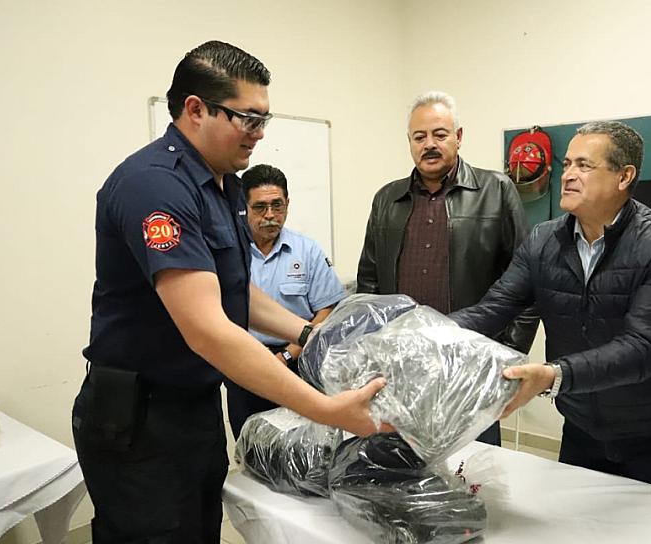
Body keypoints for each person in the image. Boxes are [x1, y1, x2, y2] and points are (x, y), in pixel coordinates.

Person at [72, 41, 385, 543]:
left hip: (193, 406)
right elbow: (209, 330)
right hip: (139, 418)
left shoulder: (225, 187)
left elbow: (234, 293)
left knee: (200, 529)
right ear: (196, 109)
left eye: (265, 119)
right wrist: (325, 409)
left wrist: (311, 334)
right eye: (249, 119)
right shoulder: (155, 187)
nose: (260, 133)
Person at [452, 121, 651, 493]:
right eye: (567, 164)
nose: (568, 175)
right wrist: (423, 333)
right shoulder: (543, 240)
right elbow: (495, 308)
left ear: (624, 176)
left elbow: (643, 348)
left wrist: (553, 375)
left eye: (584, 165)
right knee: (572, 521)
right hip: (582, 425)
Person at [356, 91, 538, 446]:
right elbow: (369, 283)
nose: (429, 144)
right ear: (409, 141)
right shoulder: (387, 199)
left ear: (459, 136)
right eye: (419, 137)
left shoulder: (496, 190)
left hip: (472, 368)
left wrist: (504, 358)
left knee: (476, 467)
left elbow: (526, 282)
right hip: (402, 369)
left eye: (439, 134)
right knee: (403, 463)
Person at [226, 164, 346, 439]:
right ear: (244, 208)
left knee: (301, 445)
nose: (270, 215)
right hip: (244, 365)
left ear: (287, 204)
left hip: (298, 365)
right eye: (260, 207)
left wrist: (288, 354)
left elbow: (327, 310)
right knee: (250, 444)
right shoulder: (229, 253)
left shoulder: (307, 250)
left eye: (277, 205)